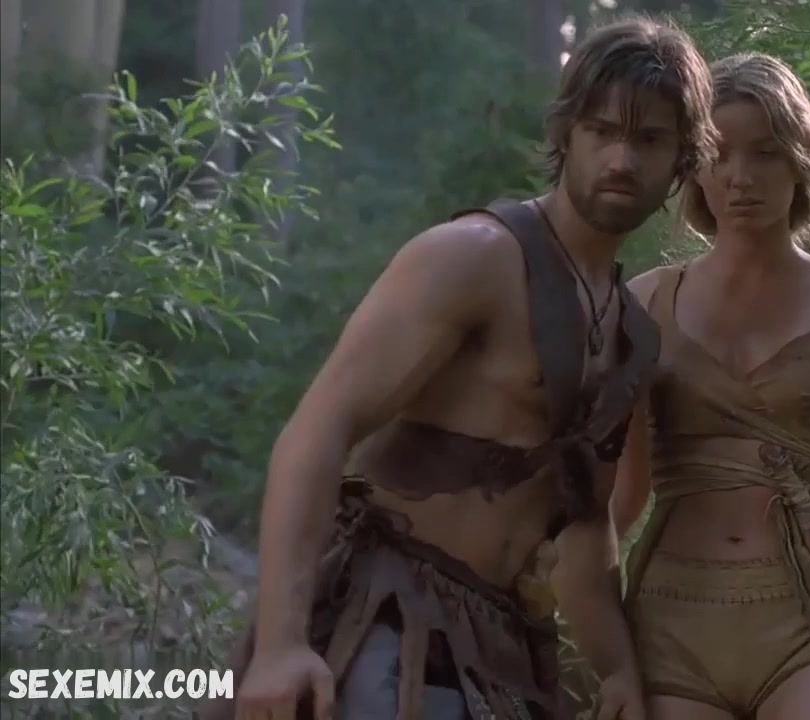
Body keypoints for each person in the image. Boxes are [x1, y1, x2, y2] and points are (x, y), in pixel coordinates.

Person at [204, 15, 717, 720]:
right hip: (388, 616)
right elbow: (318, 430)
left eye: (649, 139)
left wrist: (617, 670)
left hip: (503, 646)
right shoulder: (475, 257)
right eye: (602, 131)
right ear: (567, 133)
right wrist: (280, 645)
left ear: (683, 159)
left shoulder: (631, 332)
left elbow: (585, 523)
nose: (622, 159)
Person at [612, 53, 810, 720]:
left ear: (801, 161)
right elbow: (621, 492)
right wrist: (558, 605)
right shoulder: (644, 305)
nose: (740, 177)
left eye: (765, 153)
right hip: (672, 613)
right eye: (718, 154)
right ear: (692, 166)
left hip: (809, 614)